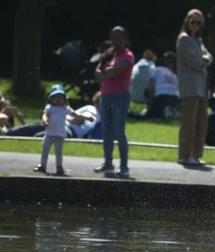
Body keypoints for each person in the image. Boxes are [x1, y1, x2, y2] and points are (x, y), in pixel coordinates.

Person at [94, 26, 135, 178]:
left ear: (125, 39)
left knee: (119, 132)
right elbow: (97, 72)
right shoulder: (108, 54)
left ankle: (124, 166)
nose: (116, 41)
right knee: (106, 131)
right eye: (113, 37)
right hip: (106, 96)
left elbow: (114, 72)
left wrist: (105, 73)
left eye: (119, 37)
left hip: (120, 97)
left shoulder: (128, 56)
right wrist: (105, 74)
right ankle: (108, 162)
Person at [177, 9, 213, 167]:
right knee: (189, 121)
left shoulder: (198, 40)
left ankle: (196, 155)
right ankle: (184, 155)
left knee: (201, 120)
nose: (196, 25)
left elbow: (208, 56)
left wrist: (203, 60)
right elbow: (194, 62)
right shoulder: (183, 39)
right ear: (187, 21)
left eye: (199, 23)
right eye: (193, 22)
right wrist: (203, 60)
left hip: (201, 84)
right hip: (189, 86)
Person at [32, 85, 93, 176]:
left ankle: (59, 167)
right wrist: (45, 120)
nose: (58, 100)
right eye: (55, 97)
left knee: (58, 152)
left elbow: (74, 114)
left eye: (60, 97)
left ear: (64, 99)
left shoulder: (65, 109)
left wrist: (86, 117)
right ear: (51, 98)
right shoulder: (49, 107)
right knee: (45, 149)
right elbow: (45, 115)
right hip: (49, 134)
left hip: (60, 135)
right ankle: (42, 165)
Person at [144, 51, 179, 120]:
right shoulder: (174, 75)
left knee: (150, 116)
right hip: (175, 98)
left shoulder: (156, 70)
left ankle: (155, 110)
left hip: (161, 97)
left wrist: (150, 100)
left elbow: (151, 87)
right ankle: (170, 111)